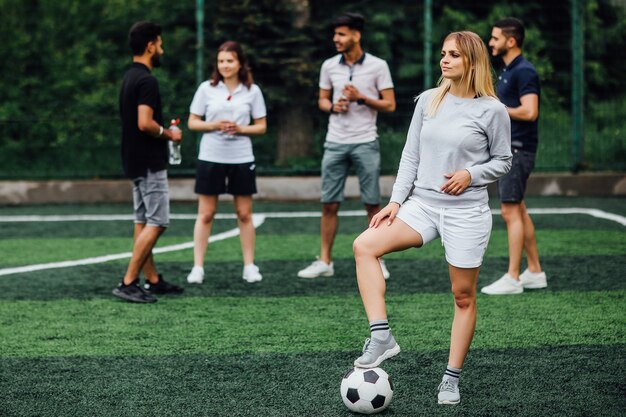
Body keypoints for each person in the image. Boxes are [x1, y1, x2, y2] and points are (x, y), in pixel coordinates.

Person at [351, 31, 512, 405]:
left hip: (467, 212)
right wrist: (395, 201)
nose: (445, 60)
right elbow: (411, 156)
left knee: (462, 296)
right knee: (364, 245)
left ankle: (451, 379)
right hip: (421, 205)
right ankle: (381, 336)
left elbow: (504, 161)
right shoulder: (428, 100)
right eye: (443, 54)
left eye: (453, 55)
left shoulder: (492, 109)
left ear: (471, 60)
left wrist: (471, 175)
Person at [297, 12, 396, 280]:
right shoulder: (329, 66)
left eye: (341, 34)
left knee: (372, 204)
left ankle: (378, 259)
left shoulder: (378, 66)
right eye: (335, 34)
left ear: (356, 35)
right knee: (329, 203)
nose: (336, 39)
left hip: (366, 141)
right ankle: (325, 261)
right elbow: (322, 100)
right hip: (335, 142)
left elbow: (390, 104)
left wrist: (361, 98)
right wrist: (333, 106)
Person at [113, 21, 184, 303]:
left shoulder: (129, 77)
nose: (162, 48)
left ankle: (152, 279)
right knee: (158, 221)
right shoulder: (147, 80)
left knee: (143, 220)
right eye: (160, 43)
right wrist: (169, 134)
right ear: (150, 46)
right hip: (148, 161)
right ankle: (128, 281)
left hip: (133, 159)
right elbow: (145, 123)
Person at [185, 41, 267, 285]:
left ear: (240, 62)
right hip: (211, 157)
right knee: (206, 214)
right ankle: (198, 267)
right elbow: (192, 122)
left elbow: (262, 126)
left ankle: (249, 266)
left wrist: (241, 129)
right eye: (221, 61)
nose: (225, 65)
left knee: (244, 214)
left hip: (241, 158)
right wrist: (214, 125)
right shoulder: (206, 89)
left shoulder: (252, 91)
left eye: (230, 60)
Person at [481, 17, 547, 295]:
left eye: (495, 38)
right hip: (513, 148)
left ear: (511, 40)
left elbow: (530, 112)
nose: (490, 42)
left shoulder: (524, 71)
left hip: (518, 148)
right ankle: (534, 272)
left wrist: (497, 108)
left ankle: (512, 278)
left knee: (510, 211)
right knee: (518, 208)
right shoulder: (509, 70)